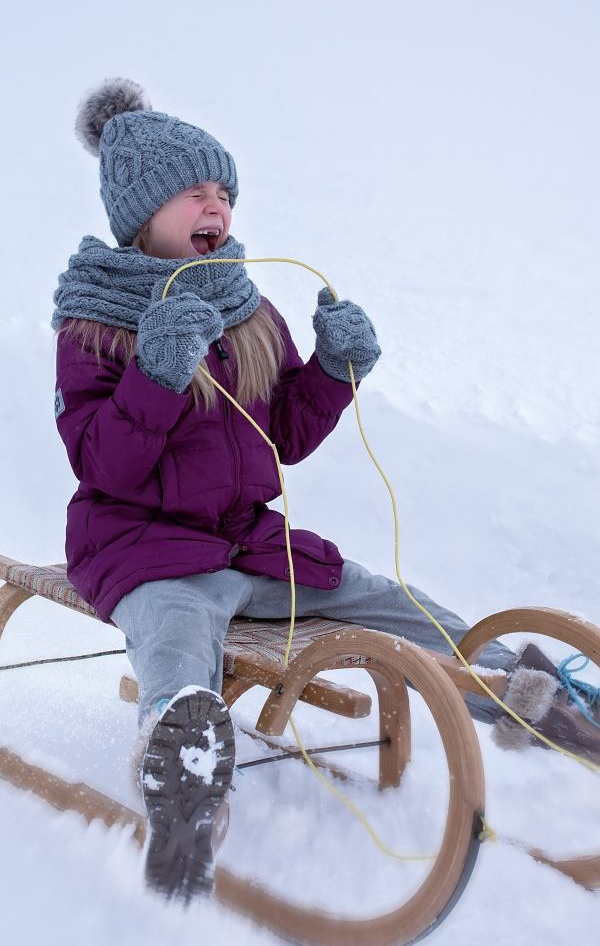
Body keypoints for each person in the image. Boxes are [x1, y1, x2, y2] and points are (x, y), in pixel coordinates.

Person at [52, 79, 599, 902]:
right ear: (142, 212)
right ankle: (184, 776)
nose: (218, 205)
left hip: (249, 543)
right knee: (175, 632)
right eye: (196, 190)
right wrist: (158, 372)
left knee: (389, 599)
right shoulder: (93, 324)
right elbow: (103, 466)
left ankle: (529, 698)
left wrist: (336, 369)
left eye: (225, 192)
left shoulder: (250, 310)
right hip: (144, 551)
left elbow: (287, 441)